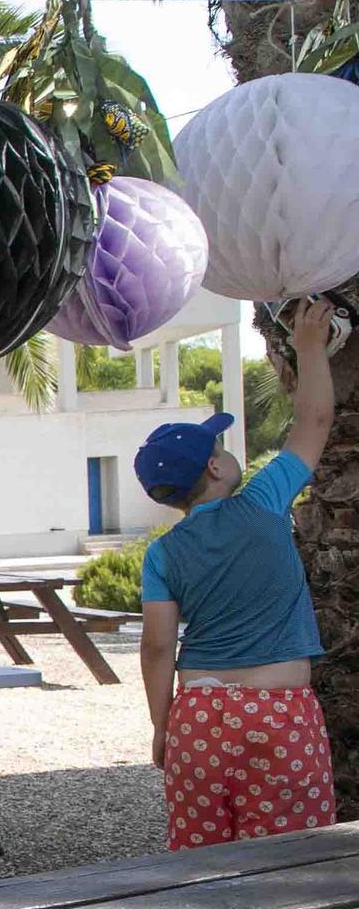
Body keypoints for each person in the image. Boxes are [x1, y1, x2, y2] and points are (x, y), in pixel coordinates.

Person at [138, 299, 339, 850]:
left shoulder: (163, 554)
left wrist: (163, 725)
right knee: (289, 861)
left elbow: (158, 648)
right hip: (279, 711)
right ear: (216, 466)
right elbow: (314, 421)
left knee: (200, 863)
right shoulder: (263, 501)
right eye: (223, 448)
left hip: (198, 716)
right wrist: (309, 348)